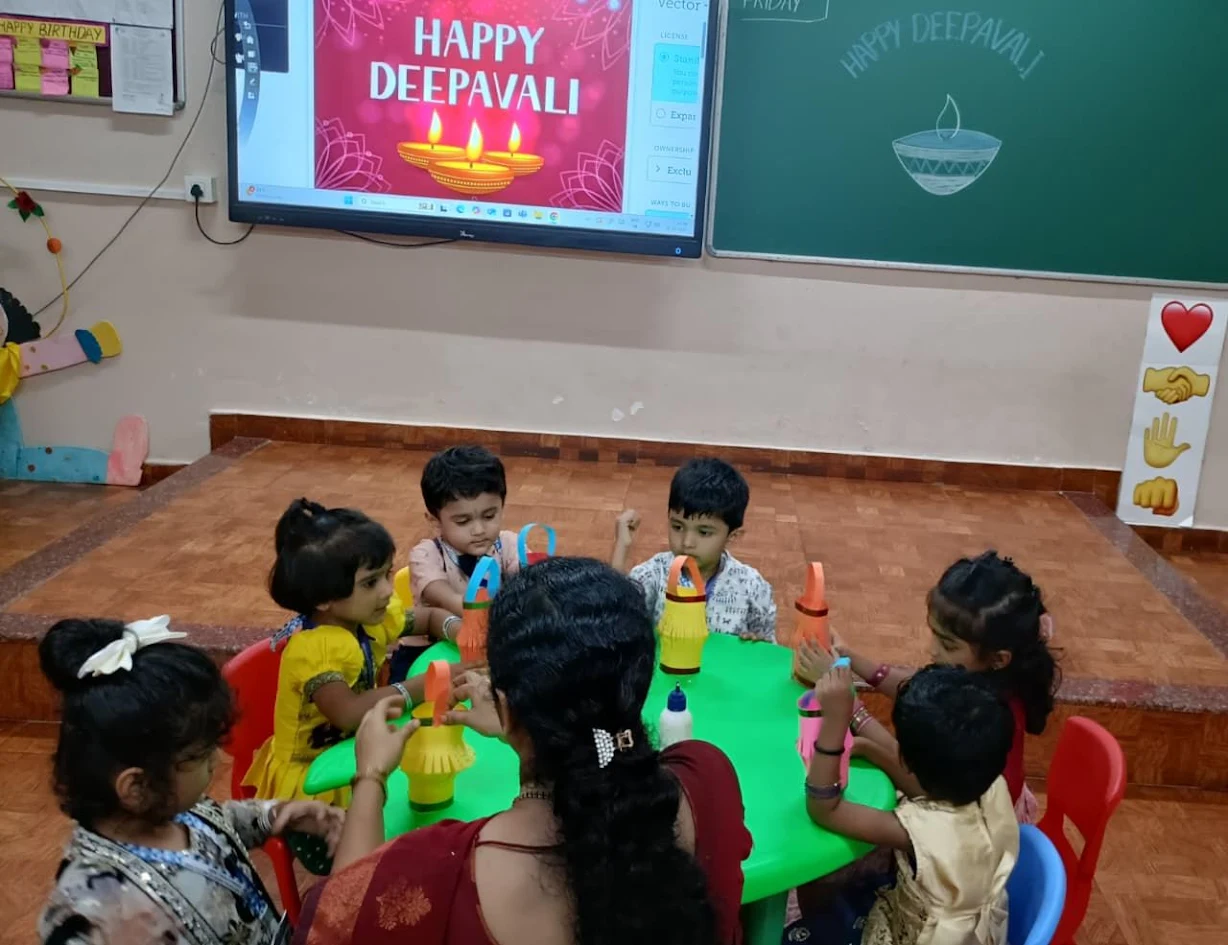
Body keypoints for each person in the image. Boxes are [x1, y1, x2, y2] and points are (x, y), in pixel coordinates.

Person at [293, 557, 754, 945]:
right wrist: (524, 732)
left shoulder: (444, 868)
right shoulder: (706, 776)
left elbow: (338, 918)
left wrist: (370, 777)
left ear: (507, 706)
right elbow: (601, 759)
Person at [37, 616, 345, 945]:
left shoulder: (177, 811)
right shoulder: (91, 911)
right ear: (136, 787)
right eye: (200, 754)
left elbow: (220, 823)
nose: (216, 759)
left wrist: (274, 815)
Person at [798, 550, 1058, 822]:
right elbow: (914, 688)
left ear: (998, 658)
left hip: (966, 821)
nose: (932, 650)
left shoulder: (981, 716)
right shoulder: (986, 680)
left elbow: (917, 775)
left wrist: (849, 708)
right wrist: (848, 658)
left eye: (947, 644)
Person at [244, 499, 460, 814]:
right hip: (314, 785)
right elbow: (347, 712)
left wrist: (458, 630)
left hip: (356, 751)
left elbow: (427, 618)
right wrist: (432, 682)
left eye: (387, 574)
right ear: (323, 599)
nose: (387, 590)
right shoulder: (315, 649)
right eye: (371, 582)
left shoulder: (367, 618)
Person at [804, 663, 1019, 945]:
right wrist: (871, 749)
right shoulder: (990, 783)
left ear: (906, 760)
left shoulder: (923, 828)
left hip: (920, 937)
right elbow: (927, 786)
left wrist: (835, 722)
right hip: (976, 928)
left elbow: (825, 810)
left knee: (816, 893)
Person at [611, 458, 777, 641]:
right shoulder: (653, 575)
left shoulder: (752, 587)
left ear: (732, 536)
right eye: (677, 527)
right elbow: (613, 617)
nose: (687, 542)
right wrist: (621, 548)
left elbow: (767, 644)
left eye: (704, 532)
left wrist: (758, 644)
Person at [408, 446, 521, 615]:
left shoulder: (509, 544)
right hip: (436, 640)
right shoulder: (425, 555)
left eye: (489, 516)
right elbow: (448, 599)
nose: (479, 530)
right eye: (463, 521)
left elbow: (530, 581)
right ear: (435, 521)